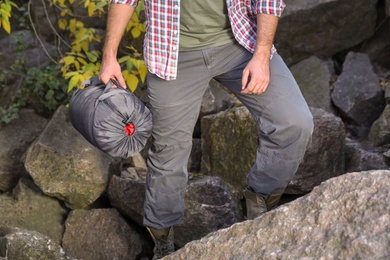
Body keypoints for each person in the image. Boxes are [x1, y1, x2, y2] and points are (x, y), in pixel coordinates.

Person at [99, 0, 314, 258]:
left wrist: (262, 54)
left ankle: (258, 203)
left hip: (240, 43)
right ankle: (164, 242)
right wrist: (109, 56)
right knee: (167, 155)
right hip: (172, 53)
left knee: (294, 123)